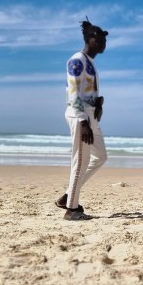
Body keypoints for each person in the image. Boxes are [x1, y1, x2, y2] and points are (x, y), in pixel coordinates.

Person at [54, 19, 109, 220]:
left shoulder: (90, 62)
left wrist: (98, 103)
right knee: (80, 162)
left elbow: (87, 91)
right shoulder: (76, 60)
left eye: (104, 40)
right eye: (99, 39)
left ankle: (68, 195)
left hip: (90, 114)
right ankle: (72, 209)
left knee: (100, 156)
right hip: (80, 116)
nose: (103, 43)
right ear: (89, 39)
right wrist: (82, 120)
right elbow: (73, 91)